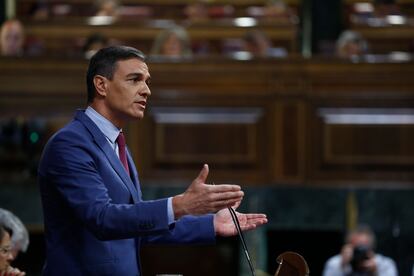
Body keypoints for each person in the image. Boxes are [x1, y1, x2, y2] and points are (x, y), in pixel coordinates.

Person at [38, 45, 268, 275]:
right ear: (101, 85)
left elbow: (138, 225)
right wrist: (180, 205)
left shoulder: (119, 146)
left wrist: (211, 224)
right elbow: (103, 218)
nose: (146, 90)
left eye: (147, 81)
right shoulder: (70, 144)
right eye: (135, 79)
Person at [322, 225, 397, 276]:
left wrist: (375, 272)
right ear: (348, 246)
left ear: (372, 247)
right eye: (357, 248)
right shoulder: (335, 263)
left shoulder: (385, 264)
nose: (360, 252)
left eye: (364, 247)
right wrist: (343, 266)